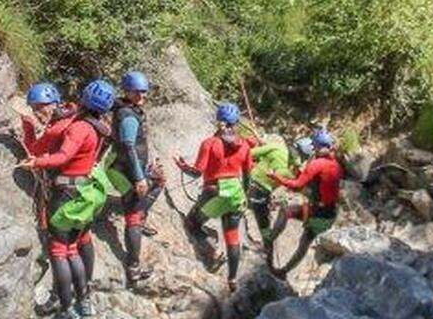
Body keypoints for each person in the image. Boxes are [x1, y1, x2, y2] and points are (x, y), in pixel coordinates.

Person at [21, 78, 115, 319]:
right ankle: (83, 302)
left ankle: (66, 309)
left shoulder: (78, 128)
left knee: (59, 252)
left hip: (66, 192)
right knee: (72, 249)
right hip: (86, 190)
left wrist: (37, 162)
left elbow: (62, 156)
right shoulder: (97, 126)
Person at [16, 81, 78, 316]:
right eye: (33, 109)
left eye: (38, 108)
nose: (36, 113)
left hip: (64, 190)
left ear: (50, 105)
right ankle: (80, 291)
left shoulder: (55, 128)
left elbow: (34, 149)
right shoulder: (74, 117)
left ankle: (60, 299)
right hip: (82, 187)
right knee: (76, 245)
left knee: (58, 249)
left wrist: (28, 126)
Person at [174, 102, 252, 288]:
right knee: (232, 236)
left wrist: (181, 165)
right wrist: (245, 197)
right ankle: (232, 279)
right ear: (237, 123)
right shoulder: (245, 146)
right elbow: (248, 177)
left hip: (214, 191)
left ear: (218, 121)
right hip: (236, 194)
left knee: (192, 223)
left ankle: (213, 250)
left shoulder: (210, 143)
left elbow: (197, 172)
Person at [104, 70, 164, 289]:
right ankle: (134, 268)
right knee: (133, 217)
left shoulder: (129, 109)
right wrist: (139, 177)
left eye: (143, 92)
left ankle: (140, 216)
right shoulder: (128, 115)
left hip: (128, 166)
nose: (141, 96)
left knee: (159, 181)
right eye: (137, 92)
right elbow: (128, 145)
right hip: (126, 170)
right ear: (127, 91)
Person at [266, 129, 345, 278]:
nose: (314, 149)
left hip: (317, 210)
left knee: (286, 212)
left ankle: (269, 242)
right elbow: (320, 185)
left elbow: (297, 185)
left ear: (316, 146)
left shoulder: (317, 164)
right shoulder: (336, 165)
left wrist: (275, 176)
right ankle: (283, 271)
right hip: (329, 213)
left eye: (314, 147)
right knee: (305, 242)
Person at [245, 131, 293, 249]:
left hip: (252, 182)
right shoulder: (293, 167)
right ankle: (267, 243)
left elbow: (248, 154)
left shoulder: (275, 147)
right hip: (265, 193)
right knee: (263, 220)